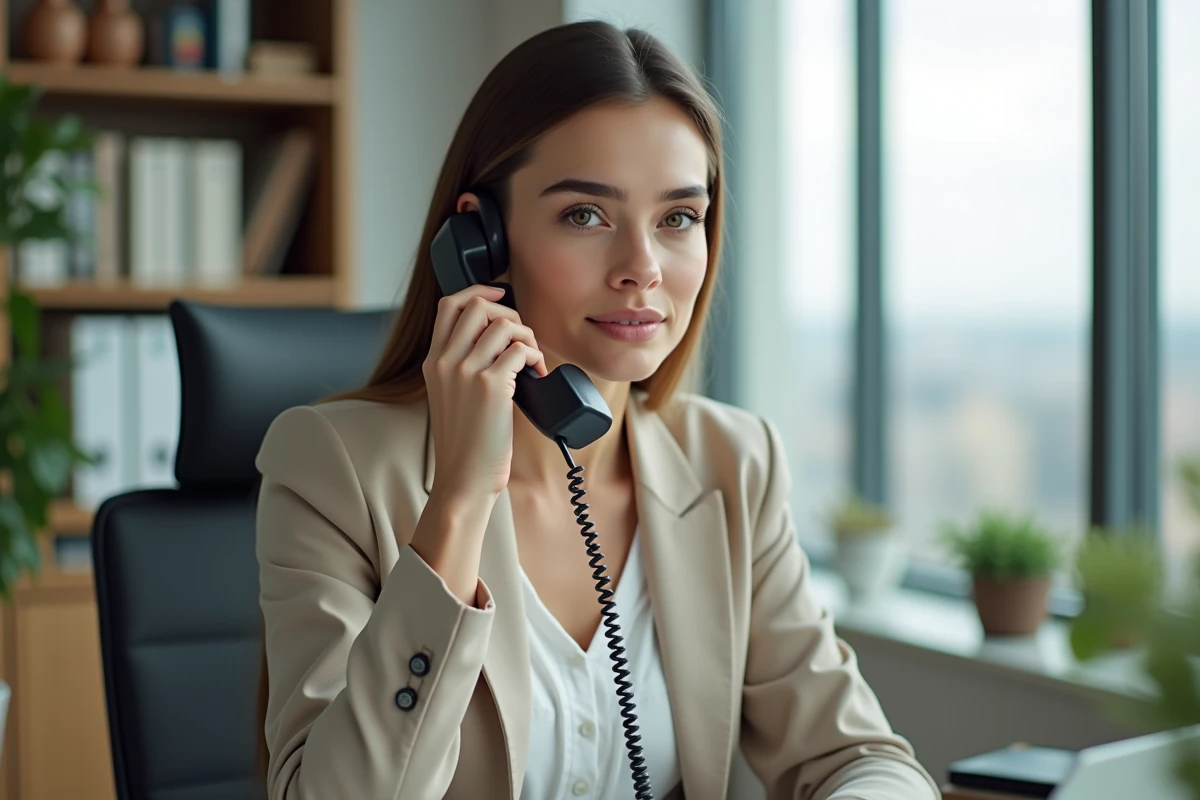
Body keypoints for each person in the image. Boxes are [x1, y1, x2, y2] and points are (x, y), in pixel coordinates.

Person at [253, 19, 940, 800]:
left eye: (679, 218)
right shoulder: (335, 467)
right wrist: (459, 504)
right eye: (587, 214)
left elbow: (859, 756)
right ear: (480, 241)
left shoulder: (732, 463)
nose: (642, 269)